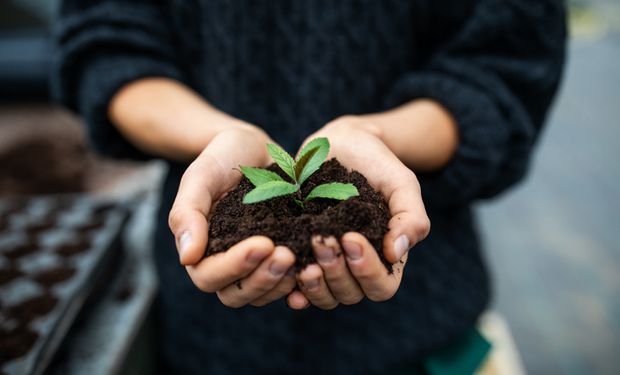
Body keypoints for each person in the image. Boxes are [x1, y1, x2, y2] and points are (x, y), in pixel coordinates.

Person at [53, 1, 566, 373]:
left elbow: (504, 63)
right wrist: (216, 137)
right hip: (204, 340)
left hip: (420, 328)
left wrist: (378, 135)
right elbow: (107, 43)